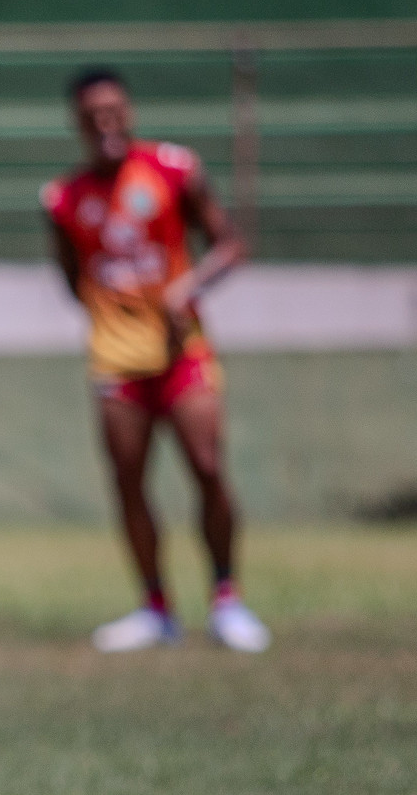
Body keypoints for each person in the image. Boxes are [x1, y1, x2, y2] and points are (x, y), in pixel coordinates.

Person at [41, 68, 271, 654]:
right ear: (78, 123)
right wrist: (115, 318)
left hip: (181, 351)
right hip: (117, 361)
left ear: (130, 112)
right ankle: (156, 609)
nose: (105, 124)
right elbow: (73, 279)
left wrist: (186, 288)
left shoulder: (173, 170)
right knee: (128, 481)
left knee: (207, 464)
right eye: (92, 116)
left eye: (114, 111)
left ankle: (227, 600)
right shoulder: (63, 198)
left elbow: (231, 243)